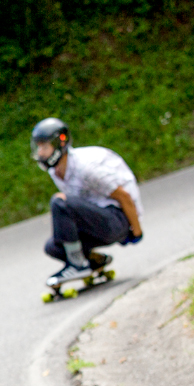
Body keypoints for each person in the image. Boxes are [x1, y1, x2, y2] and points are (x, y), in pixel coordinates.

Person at [30, 118, 144, 287]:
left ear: (59, 144)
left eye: (45, 147)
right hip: (98, 220)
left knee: (60, 202)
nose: (40, 153)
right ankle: (94, 261)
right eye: (39, 147)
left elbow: (124, 196)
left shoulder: (86, 168)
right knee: (53, 247)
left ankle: (78, 265)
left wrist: (136, 231)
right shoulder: (56, 171)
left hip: (117, 219)